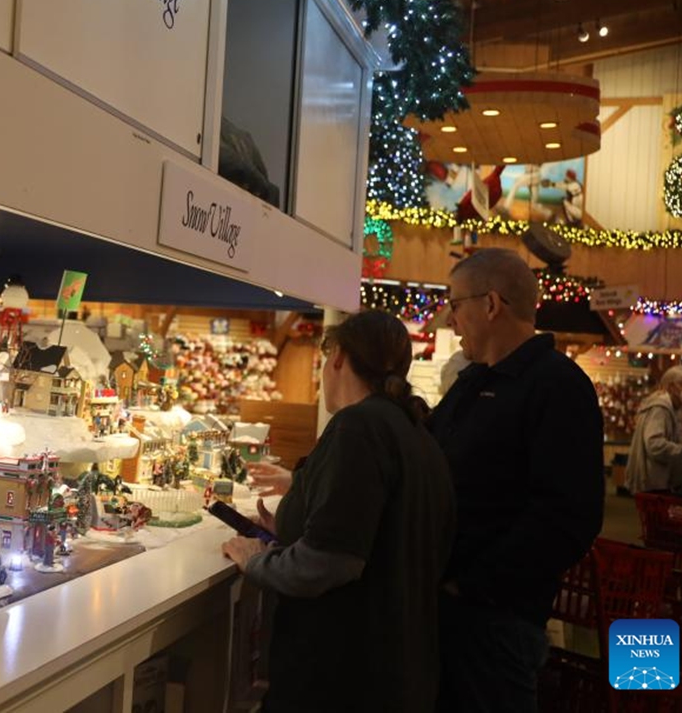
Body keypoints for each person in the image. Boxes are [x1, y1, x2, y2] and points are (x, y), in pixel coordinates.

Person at [222, 311, 455, 713]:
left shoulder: (358, 428)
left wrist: (257, 562)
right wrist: (294, 528)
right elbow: (377, 534)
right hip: (399, 672)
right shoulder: (413, 430)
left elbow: (330, 562)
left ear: (339, 358)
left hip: (344, 679)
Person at [426, 248, 603, 712]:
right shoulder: (471, 383)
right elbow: (420, 449)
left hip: (497, 627)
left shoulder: (557, 386)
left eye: (455, 303)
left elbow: (568, 516)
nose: (449, 318)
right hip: (451, 615)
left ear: (490, 304)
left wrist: (472, 584)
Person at [626, 365, 682, 494]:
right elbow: (655, 445)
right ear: (672, 387)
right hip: (654, 484)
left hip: (667, 482)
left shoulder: (678, 409)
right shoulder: (660, 409)